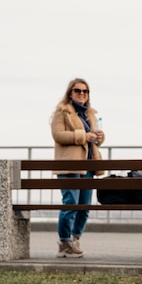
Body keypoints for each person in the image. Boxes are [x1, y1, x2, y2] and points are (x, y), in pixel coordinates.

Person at [50, 78, 105, 258]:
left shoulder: (89, 114)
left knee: (84, 206)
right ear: (70, 93)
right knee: (71, 204)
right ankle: (65, 241)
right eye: (78, 90)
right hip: (70, 165)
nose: (82, 94)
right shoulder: (62, 112)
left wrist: (99, 137)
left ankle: (75, 239)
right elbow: (58, 135)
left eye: (85, 91)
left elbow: (93, 140)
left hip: (88, 165)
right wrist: (83, 135)